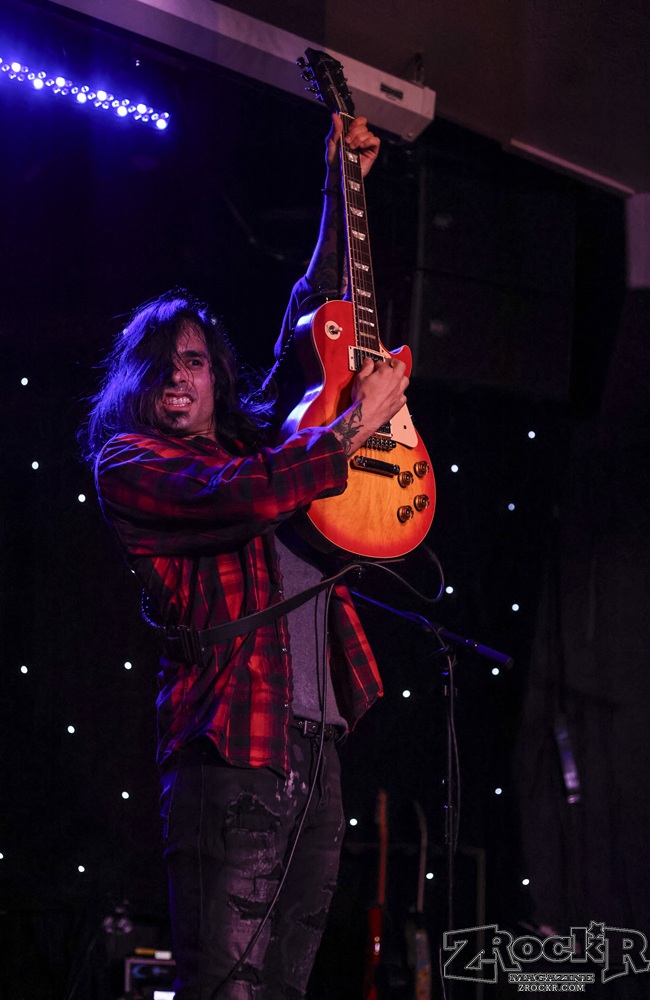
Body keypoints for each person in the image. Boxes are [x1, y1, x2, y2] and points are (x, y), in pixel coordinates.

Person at [83, 114, 408, 1000]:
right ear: (135, 385)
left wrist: (342, 188)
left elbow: (317, 329)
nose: (177, 378)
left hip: (317, 742)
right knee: (226, 988)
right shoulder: (133, 464)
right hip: (231, 749)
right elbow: (244, 496)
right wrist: (357, 427)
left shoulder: (257, 443)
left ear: (216, 376)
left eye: (193, 361)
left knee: (287, 988)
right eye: (158, 366)